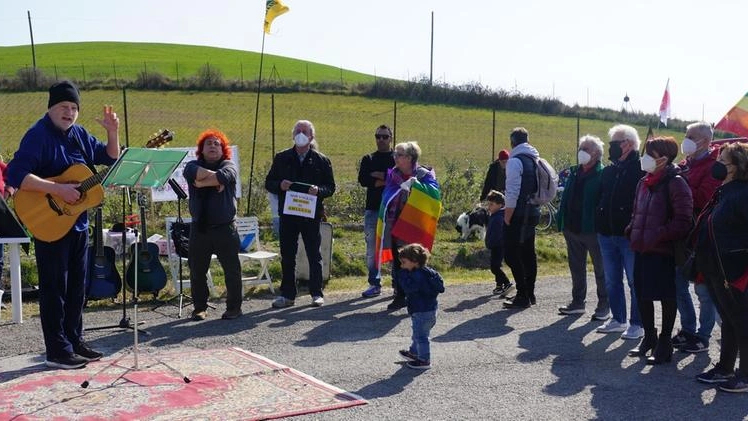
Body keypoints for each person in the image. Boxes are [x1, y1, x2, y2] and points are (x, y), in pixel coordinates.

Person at [5, 81, 119, 369]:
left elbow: (109, 157)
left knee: (77, 288)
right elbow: (16, 175)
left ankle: (74, 340)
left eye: (73, 108)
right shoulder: (37, 135)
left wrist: (112, 131)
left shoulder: (79, 134)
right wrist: (58, 190)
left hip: (77, 222)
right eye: (63, 107)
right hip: (48, 221)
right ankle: (56, 350)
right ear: (51, 108)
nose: (69, 113)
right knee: (54, 287)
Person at [625, 137, 693, 364]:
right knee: (642, 294)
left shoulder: (676, 183)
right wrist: (632, 229)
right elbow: (637, 212)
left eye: (650, 154)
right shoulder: (643, 182)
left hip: (663, 251)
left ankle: (664, 344)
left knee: (666, 296)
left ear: (664, 158)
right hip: (641, 248)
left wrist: (658, 234)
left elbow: (683, 221)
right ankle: (649, 338)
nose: (644, 158)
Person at [693, 142, 748, 392]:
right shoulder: (724, 191)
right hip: (716, 268)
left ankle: (745, 376)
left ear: (737, 167)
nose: (717, 165)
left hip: (735, 271)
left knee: (742, 321)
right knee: (728, 319)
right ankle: (725, 367)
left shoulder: (743, 195)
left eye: (723, 162)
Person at [265, 120, 336, 308]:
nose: (301, 133)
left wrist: (318, 190)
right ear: (292, 135)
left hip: (310, 214)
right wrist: (280, 185)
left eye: (304, 131)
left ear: (311, 136)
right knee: (287, 255)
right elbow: (269, 182)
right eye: (297, 130)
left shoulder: (322, 160)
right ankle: (287, 295)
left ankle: (316, 293)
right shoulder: (281, 158)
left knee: (314, 254)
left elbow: (330, 187)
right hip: (288, 215)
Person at [183, 129, 243, 321]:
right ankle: (199, 308)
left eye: (217, 144)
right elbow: (193, 173)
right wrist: (214, 179)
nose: (212, 146)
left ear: (223, 149)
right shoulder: (192, 165)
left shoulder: (229, 165)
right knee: (197, 271)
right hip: (200, 229)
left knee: (232, 270)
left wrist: (201, 183)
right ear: (202, 149)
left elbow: (226, 175)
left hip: (225, 228)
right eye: (208, 143)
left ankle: (234, 308)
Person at [672, 122, 720, 353]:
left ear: (705, 141)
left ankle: (703, 335)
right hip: (681, 235)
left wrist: (678, 185)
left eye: (691, 136)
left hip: (701, 236)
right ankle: (688, 328)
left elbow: (703, 199)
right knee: (678, 283)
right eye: (686, 135)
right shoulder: (684, 164)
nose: (686, 139)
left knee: (703, 289)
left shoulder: (715, 167)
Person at [376, 141, 441, 311]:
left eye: (399, 154)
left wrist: (416, 186)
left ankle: (419, 293)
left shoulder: (423, 174)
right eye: (395, 154)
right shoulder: (393, 175)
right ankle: (399, 294)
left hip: (414, 226)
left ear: (410, 158)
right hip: (395, 225)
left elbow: (435, 194)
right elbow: (387, 196)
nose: (395, 157)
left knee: (416, 260)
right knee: (399, 261)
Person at [595, 124, 645, 340]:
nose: (610, 147)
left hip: (628, 236)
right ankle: (618, 319)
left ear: (629, 144)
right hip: (606, 233)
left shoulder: (641, 169)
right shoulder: (609, 170)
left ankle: (637, 323)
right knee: (612, 279)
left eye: (614, 143)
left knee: (635, 280)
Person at [556, 135, 609, 319]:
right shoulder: (574, 172)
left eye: (586, 149)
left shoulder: (603, 175)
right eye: (581, 148)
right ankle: (578, 303)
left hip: (593, 230)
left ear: (596, 154)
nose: (582, 152)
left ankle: (604, 305)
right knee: (576, 268)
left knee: (601, 270)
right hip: (572, 228)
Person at [502, 127, 540, 309]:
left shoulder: (515, 161)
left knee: (510, 254)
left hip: (518, 214)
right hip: (533, 212)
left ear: (512, 141)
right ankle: (530, 293)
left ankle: (522, 294)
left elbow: (512, 192)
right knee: (528, 254)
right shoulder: (534, 159)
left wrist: (507, 216)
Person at [358, 124, 395, 298]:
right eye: (378, 136)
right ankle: (374, 283)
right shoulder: (368, 158)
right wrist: (386, 178)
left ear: (391, 138)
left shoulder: (398, 158)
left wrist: (378, 175)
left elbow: (400, 178)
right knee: (372, 249)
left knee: (396, 248)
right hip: (373, 209)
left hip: (394, 211)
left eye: (385, 137)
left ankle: (398, 284)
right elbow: (363, 179)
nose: (381, 140)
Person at [396, 243, 445, 370]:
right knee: (418, 333)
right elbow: (441, 287)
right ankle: (414, 353)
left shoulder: (416, 276)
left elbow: (408, 288)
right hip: (430, 310)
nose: (402, 265)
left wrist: (402, 276)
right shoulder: (430, 272)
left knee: (421, 337)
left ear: (414, 261)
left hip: (421, 311)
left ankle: (424, 359)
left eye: (404, 262)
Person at [484, 190, 513, 296]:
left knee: (494, 267)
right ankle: (499, 285)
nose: (489, 207)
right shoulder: (494, 215)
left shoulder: (499, 217)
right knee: (496, 265)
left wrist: (492, 242)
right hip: (494, 245)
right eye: (489, 204)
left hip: (498, 245)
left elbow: (498, 234)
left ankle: (507, 282)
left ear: (500, 205)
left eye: (491, 204)